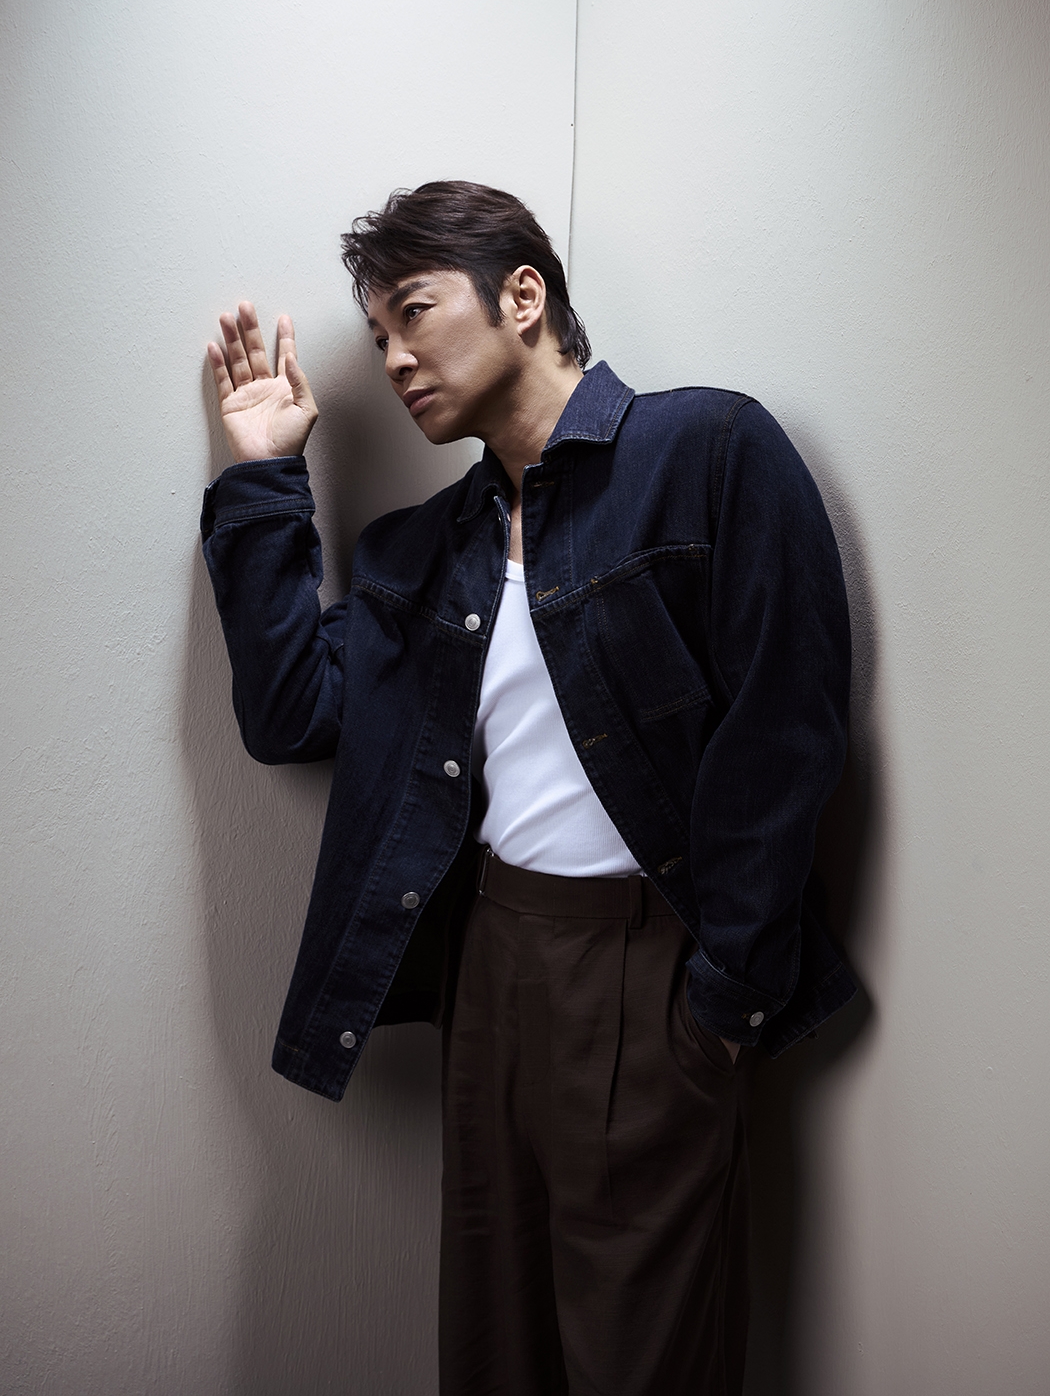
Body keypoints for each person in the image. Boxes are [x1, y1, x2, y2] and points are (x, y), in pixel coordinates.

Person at [200, 180, 854, 1396]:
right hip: (491, 963)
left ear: (522, 295)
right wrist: (262, 475)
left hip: (652, 972)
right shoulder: (423, 549)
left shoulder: (708, 452)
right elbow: (288, 716)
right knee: (496, 1346)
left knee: (643, 1353)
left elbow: (787, 728)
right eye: (377, 337)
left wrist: (719, 1009)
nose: (395, 358)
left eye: (412, 313)